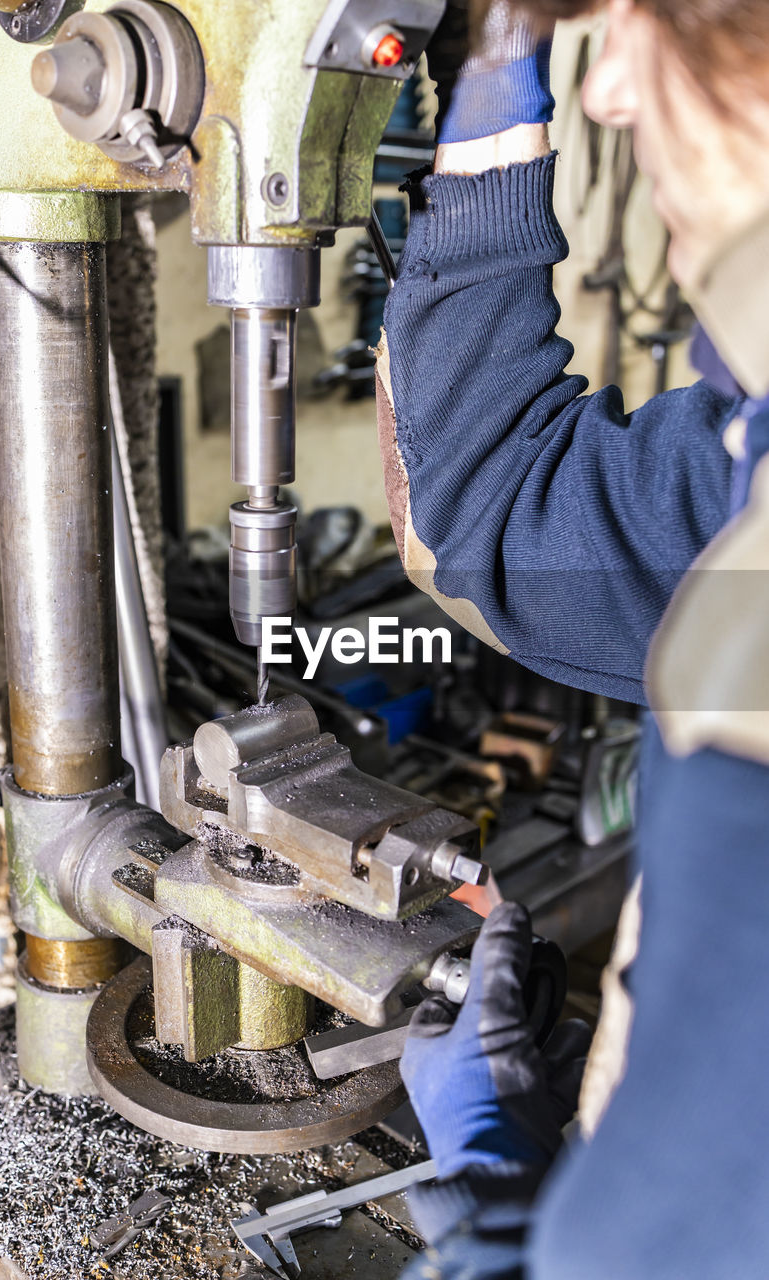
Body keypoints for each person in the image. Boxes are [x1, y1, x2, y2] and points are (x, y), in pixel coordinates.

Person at [377, 1, 769, 1276]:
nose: (603, 99)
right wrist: (493, 124)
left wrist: (497, 1196)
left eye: (647, 29)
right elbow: (500, 515)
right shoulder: (741, 467)